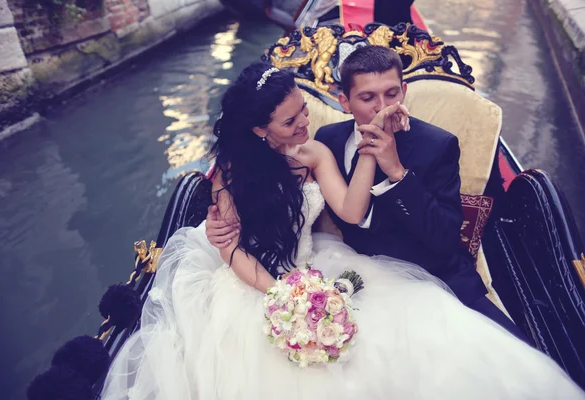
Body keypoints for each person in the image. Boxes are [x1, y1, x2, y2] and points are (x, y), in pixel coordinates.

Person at [101, 62, 584, 399]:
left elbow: (351, 212)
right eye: (290, 120)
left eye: (304, 113)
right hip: (246, 276)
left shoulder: (313, 153)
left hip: (314, 263)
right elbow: (228, 246)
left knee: (409, 336)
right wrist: (285, 295)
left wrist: (374, 150)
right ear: (258, 131)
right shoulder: (229, 171)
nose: (303, 124)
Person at [208, 45, 523, 340]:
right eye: (368, 97)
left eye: (391, 94)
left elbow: (439, 238)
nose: (382, 108)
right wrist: (284, 294)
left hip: (430, 273)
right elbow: (234, 238)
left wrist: (395, 169)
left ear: (404, 92)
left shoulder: (436, 146)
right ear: (344, 103)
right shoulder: (328, 138)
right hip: (328, 276)